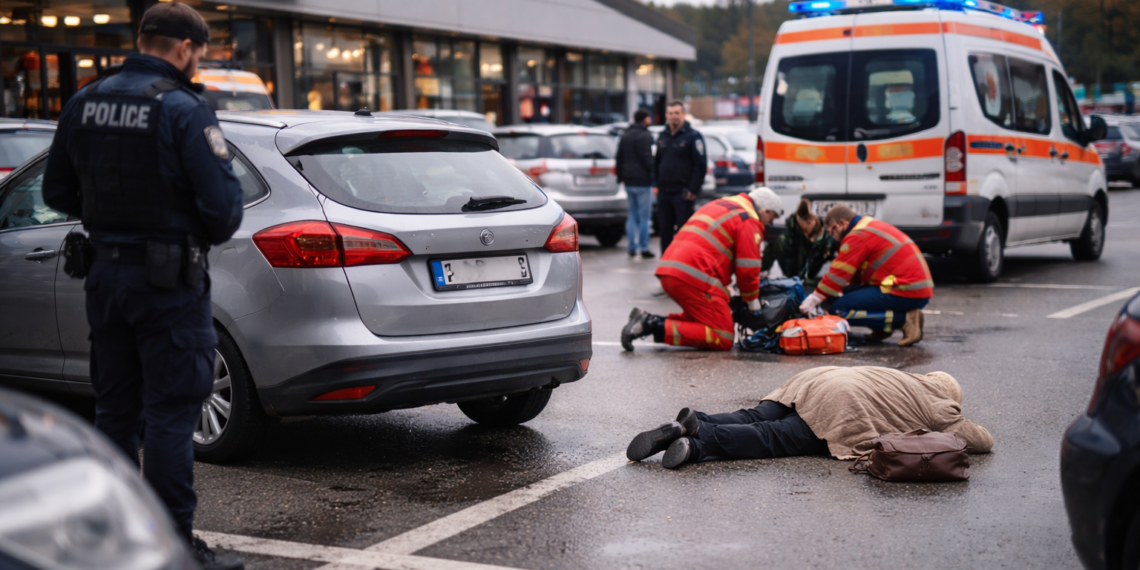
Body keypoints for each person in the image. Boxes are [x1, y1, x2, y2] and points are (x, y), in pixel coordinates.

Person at [42, 4, 245, 569]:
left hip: (105, 277)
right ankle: (170, 549)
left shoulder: (85, 100)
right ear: (184, 48)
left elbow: (57, 192)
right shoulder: (184, 109)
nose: (197, 63)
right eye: (199, 54)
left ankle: (111, 541)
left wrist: (112, 218)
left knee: (115, 414)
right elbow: (225, 211)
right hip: (168, 284)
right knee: (170, 415)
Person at [626, 366, 993, 469]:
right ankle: (696, 446)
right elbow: (980, 442)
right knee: (773, 436)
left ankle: (695, 422)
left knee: (756, 414)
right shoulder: (940, 401)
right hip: (841, 403)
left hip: (817, 378)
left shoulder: (902, 377)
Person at [621, 187, 784, 351]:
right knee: (723, 335)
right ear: (765, 209)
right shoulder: (748, 219)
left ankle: (648, 322)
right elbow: (748, 268)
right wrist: (752, 303)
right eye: (772, 217)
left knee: (702, 319)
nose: (769, 222)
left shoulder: (721, 205)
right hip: (694, 275)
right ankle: (651, 325)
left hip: (671, 270)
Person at [798, 205, 933, 346]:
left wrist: (814, 299)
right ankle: (882, 326)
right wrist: (827, 293)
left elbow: (839, 273)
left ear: (842, 224)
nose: (833, 237)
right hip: (906, 286)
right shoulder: (865, 226)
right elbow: (851, 275)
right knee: (834, 296)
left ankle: (905, 319)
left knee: (838, 310)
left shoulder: (857, 236)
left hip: (906, 290)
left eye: (832, 231)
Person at [654, 100, 707, 252]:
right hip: (664, 192)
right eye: (670, 113)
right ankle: (665, 265)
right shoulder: (662, 135)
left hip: (683, 193)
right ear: (666, 115)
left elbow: (700, 165)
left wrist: (693, 189)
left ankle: (683, 265)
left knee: (684, 232)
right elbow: (657, 162)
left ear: (683, 114)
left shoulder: (693, 136)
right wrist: (655, 183)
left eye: (677, 113)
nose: (673, 116)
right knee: (665, 232)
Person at [760, 198, 838, 291]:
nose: (807, 235)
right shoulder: (784, 239)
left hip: (815, 282)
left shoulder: (827, 237)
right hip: (792, 282)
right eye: (805, 231)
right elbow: (766, 260)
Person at [616, 108, 655, 259]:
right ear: (644, 119)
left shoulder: (625, 135)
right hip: (643, 181)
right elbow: (648, 159)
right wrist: (653, 173)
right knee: (644, 217)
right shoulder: (646, 136)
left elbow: (619, 157)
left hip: (628, 181)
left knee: (632, 215)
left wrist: (620, 177)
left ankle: (631, 247)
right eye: (649, 118)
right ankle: (644, 247)